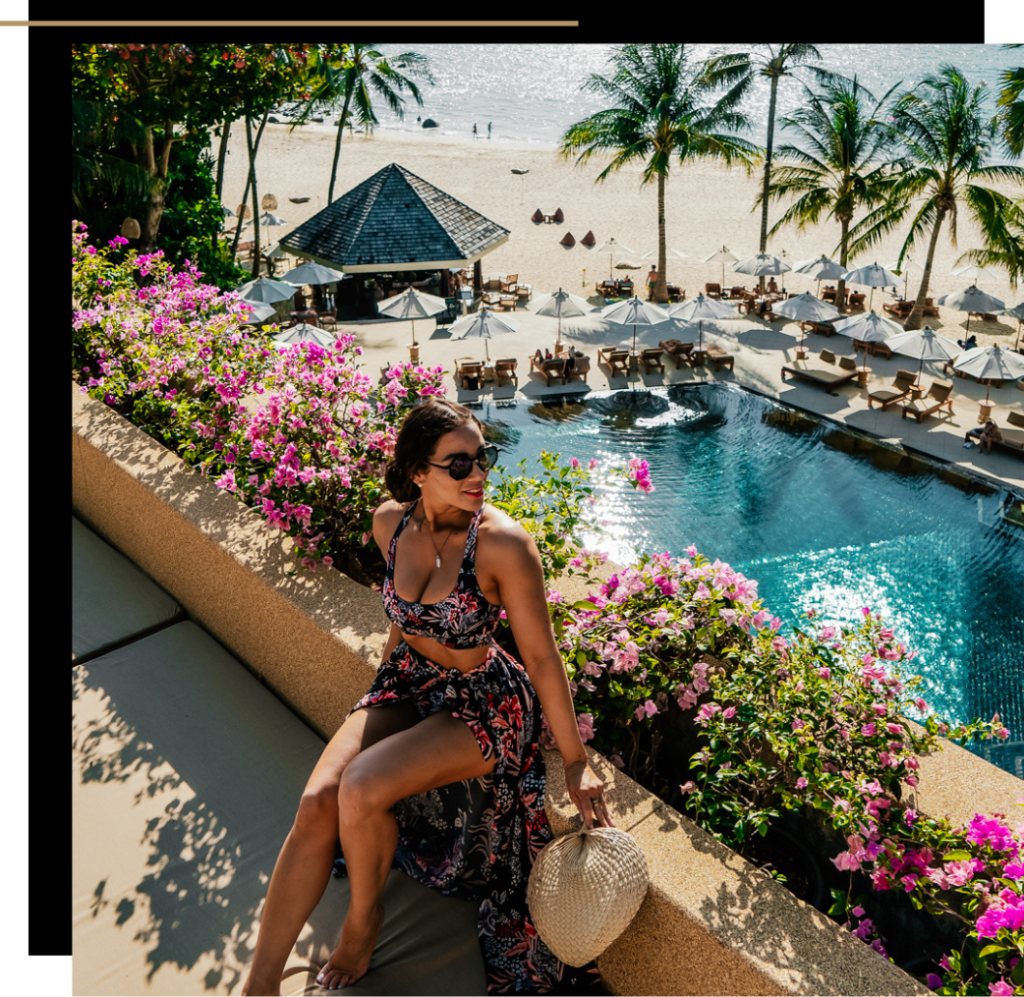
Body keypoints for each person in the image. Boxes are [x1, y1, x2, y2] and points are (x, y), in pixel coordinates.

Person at [240, 399, 611, 997]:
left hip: (485, 702)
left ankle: (364, 924)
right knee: (316, 803)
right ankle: (258, 984)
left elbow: (542, 659)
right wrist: (377, 698)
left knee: (360, 788)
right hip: (409, 681)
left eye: (482, 459)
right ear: (418, 472)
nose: (477, 475)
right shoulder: (389, 523)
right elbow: (400, 621)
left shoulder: (502, 545)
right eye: (457, 464)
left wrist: (574, 761)